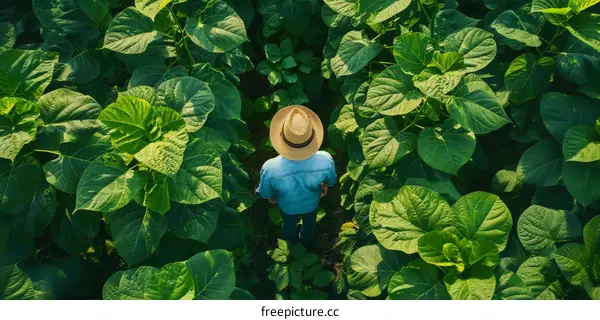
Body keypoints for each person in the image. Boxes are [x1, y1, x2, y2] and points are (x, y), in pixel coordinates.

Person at [256, 105, 336, 245]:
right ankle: (306, 240)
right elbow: (332, 180)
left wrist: (271, 197)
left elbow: (265, 193)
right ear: (312, 136)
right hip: (312, 203)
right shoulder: (325, 159)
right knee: (310, 223)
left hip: (287, 205)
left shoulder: (270, 168)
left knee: (288, 223)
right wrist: (325, 186)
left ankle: (290, 244)